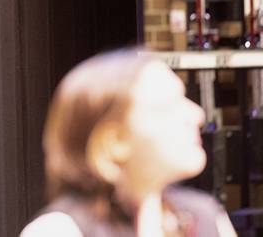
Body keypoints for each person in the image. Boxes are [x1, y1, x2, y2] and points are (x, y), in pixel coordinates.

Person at [21, 50, 237, 237]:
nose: (197, 115)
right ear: (115, 141)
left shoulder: (206, 216)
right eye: (167, 106)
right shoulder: (60, 231)